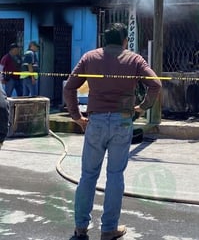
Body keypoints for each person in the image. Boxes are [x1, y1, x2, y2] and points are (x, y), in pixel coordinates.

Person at [63, 23, 161, 240]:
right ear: (125, 40)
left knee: (88, 175)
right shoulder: (134, 59)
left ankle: (80, 228)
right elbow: (155, 84)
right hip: (122, 121)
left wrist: (76, 117)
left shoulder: (90, 57)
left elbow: (69, 87)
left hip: (95, 121)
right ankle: (108, 229)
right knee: (115, 175)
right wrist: (142, 107)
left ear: (104, 40)